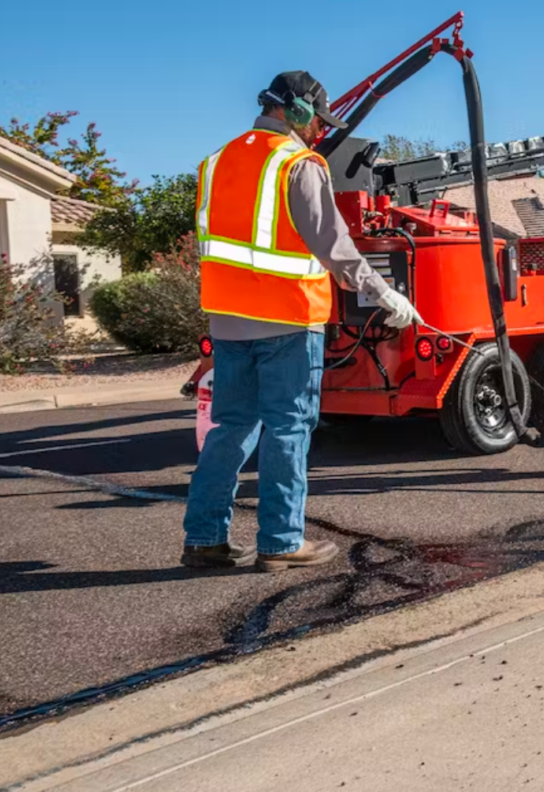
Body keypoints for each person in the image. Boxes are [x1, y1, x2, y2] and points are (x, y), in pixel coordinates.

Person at [181, 71, 420, 573]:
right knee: (289, 429)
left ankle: (204, 539)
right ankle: (281, 542)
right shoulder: (297, 164)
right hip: (287, 320)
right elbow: (335, 248)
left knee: (230, 428)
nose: (319, 134)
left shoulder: (215, 162)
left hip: (227, 322)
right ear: (299, 112)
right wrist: (385, 295)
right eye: (317, 122)